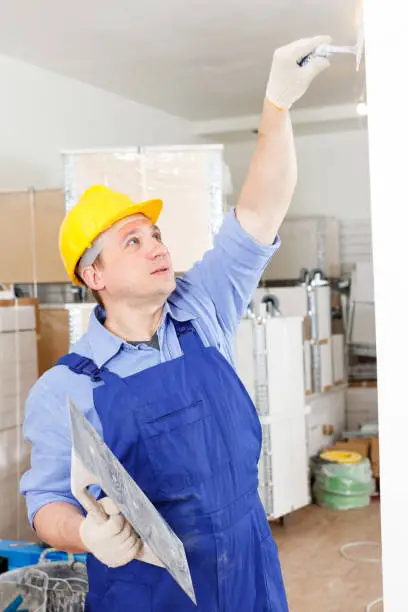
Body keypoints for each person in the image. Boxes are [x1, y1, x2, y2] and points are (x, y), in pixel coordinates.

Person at [20, 36, 331, 611]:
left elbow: (261, 210)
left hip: (248, 570)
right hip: (151, 592)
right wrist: (86, 535)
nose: (155, 246)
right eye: (132, 241)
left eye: (156, 234)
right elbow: (43, 505)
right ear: (96, 275)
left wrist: (277, 105)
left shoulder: (202, 308)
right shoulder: (65, 388)